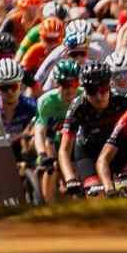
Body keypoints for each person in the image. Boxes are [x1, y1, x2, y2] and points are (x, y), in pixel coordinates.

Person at [57, 62, 127, 196]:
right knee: (95, 193)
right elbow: (64, 149)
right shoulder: (78, 108)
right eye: (92, 91)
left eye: (103, 89)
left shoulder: (122, 101)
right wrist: (70, 178)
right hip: (89, 153)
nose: (99, 96)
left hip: (117, 150)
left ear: (110, 86)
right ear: (84, 90)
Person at [33, 59, 82, 203]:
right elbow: (39, 131)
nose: (70, 89)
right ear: (56, 84)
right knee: (51, 166)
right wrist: (42, 154)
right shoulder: (46, 101)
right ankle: (49, 204)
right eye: (65, 85)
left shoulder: (83, 96)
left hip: (74, 140)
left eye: (74, 84)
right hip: (51, 141)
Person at [0, 58, 38, 159]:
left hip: (23, 155)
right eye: (4, 88)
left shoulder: (32, 107)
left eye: (14, 86)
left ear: (20, 85)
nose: (10, 92)